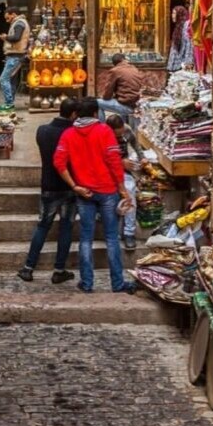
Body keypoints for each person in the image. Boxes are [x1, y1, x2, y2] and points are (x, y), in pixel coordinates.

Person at [53, 97, 135, 294]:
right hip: (107, 191)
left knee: (86, 238)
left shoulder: (68, 134)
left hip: (85, 192)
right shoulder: (104, 131)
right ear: (95, 113)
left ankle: (87, 282)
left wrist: (74, 186)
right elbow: (114, 161)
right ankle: (117, 283)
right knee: (112, 238)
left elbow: (59, 162)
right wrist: (122, 188)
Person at [17, 97, 79, 284]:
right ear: (74, 114)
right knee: (66, 227)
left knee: (43, 226)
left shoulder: (42, 131)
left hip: (49, 186)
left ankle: (29, 267)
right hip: (69, 187)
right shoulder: (74, 134)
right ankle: (59, 269)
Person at [105, 112, 140, 251]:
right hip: (106, 171)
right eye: (117, 135)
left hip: (122, 171)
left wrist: (141, 157)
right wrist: (120, 163)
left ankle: (129, 232)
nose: (119, 137)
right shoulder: (102, 136)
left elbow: (136, 145)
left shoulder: (126, 131)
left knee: (129, 191)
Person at [0, 6, 29, 112]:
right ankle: (10, 103)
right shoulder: (20, 22)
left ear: (13, 14)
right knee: (12, 80)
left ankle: (9, 103)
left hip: (15, 56)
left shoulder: (19, 23)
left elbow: (16, 38)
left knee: (3, 78)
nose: (7, 21)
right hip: (16, 55)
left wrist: (5, 37)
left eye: (8, 18)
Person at [97, 52, 143, 123]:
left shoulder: (115, 70)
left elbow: (107, 94)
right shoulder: (134, 69)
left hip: (126, 105)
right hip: (136, 104)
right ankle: (123, 127)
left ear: (114, 64)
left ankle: (102, 129)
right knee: (120, 100)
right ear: (124, 59)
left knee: (96, 103)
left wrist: (106, 97)